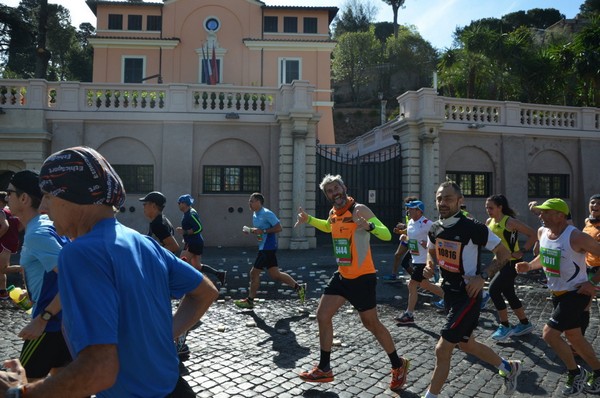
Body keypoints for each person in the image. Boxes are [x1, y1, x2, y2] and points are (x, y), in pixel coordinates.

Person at [0, 146, 219, 397]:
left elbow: (98, 371)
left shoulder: (80, 252)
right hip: (174, 388)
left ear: (74, 196)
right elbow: (205, 292)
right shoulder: (141, 242)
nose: (43, 208)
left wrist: (19, 393)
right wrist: (159, 338)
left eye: (48, 196)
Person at [294, 174, 410, 393]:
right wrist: (308, 219)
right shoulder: (333, 213)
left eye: (336, 187)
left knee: (371, 324)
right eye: (329, 191)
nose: (334, 192)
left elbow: (386, 235)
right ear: (327, 195)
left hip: (362, 277)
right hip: (342, 275)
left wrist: (370, 227)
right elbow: (329, 227)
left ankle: (398, 364)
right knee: (323, 315)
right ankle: (325, 368)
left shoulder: (360, 210)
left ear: (344, 187)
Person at [421, 181, 521, 398]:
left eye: (448, 198)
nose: (442, 202)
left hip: (469, 296)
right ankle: (508, 367)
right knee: (467, 344)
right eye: (439, 198)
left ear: (460, 200)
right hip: (449, 295)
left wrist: (483, 276)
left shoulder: (473, 227)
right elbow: (431, 251)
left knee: (442, 348)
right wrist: (431, 265)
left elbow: (504, 254)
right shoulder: (435, 227)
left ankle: (431, 395)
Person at [516, 198, 600, 395]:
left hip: (576, 293)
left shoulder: (576, 237)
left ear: (560, 215)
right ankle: (598, 371)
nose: (540, 216)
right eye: (540, 212)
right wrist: (529, 265)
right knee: (575, 338)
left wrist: (592, 282)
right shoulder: (542, 232)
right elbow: (544, 256)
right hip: (557, 294)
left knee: (549, 334)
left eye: (545, 212)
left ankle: (574, 372)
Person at [5, 171, 72, 381]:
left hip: (48, 328)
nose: (6, 197)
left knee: (23, 386)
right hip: (64, 324)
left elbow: (74, 277)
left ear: (24, 199)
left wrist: (43, 318)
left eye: (10, 192)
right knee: (61, 390)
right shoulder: (46, 225)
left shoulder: (37, 233)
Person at [234, 192, 306, 309]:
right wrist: (251, 230)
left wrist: (263, 232)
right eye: (249, 201)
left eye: (251, 201)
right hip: (264, 246)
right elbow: (260, 230)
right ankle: (299, 288)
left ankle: (250, 300)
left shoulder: (267, 213)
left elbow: (279, 228)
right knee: (275, 275)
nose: (249, 203)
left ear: (258, 202)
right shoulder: (255, 214)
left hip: (268, 248)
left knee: (254, 273)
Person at [485, 194, 537, 341]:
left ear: (500, 207)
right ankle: (525, 323)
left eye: (491, 208)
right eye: (486, 208)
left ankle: (505, 326)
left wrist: (523, 251)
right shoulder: (489, 221)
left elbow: (533, 234)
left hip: (512, 263)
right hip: (499, 262)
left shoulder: (510, 222)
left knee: (493, 290)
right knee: (508, 292)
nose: (488, 210)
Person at [395, 200, 444, 325]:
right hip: (415, 258)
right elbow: (413, 239)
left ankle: (409, 314)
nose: (409, 211)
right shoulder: (410, 222)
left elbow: (440, 237)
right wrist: (405, 238)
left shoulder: (428, 223)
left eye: (411, 209)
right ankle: (450, 299)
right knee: (425, 285)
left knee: (412, 284)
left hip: (424, 260)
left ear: (419, 211)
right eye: (408, 209)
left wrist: (428, 245)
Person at [176, 194, 226, 285]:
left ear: (185, 203)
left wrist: (185, 232)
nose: (178, 204)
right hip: (195, 242)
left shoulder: (191, 214)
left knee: (181, 263)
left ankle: (187, 284)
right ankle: (219, 274)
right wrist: (185, 234)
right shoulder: (188, 213)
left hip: (193, 243)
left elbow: (199, 228)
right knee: (197, 266)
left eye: (179, 202)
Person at [382, 196, 417, 282]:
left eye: (408, 206)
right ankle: (394, 275)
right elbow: (410, 226)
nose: (406, 208)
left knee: (415, 261)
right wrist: (401, 230)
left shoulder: (416, 214)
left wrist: (402, 229)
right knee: (397, 255)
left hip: (414, 240)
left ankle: (420, 279)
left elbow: (415, 227)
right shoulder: (407, 214)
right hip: (407, 238)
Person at [581, 194, 600, 339]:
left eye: (599, 204)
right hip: (587, 269)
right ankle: (578, 341)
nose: (595, 205)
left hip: (597, 272)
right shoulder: (588, 222)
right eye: (593, 202)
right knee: (584, 306)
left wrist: (593, 280)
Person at [0, 191, 22, 300]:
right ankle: (2, 292)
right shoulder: (9, 210)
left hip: (4, 243)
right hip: (10, 242)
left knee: (3, 269)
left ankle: (23, 268)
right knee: (1, 269)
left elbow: (4, 226)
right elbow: (20, 224)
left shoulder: (1, 212)